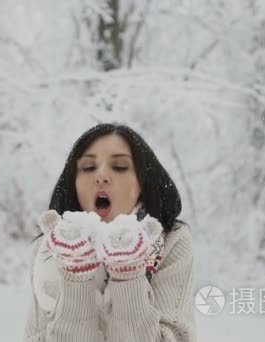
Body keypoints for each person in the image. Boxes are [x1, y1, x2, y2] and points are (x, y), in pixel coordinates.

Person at [24, 123, 195, 341]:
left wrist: (129, 273)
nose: (101, 176)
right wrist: (76, 275)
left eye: (120, 167)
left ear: (143, 181)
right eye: (87, 167)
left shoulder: (170, 240)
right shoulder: (50, 249)